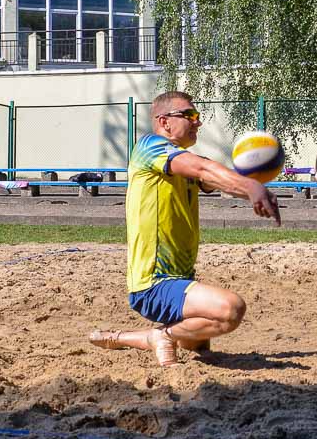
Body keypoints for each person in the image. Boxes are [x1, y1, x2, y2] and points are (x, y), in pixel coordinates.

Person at [89, 91, 280, 367]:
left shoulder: (182, 162)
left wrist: (254, 188)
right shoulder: (149, 147)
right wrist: (251, 187)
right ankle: (162, 335)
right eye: (189, 115)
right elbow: (203, 169)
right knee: (230, 310)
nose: (197, 122)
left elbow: (214, 178)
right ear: (164, 122)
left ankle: (134, 337)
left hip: (181, 279)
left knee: (197, 343)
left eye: (197, 116)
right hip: (154, 283)